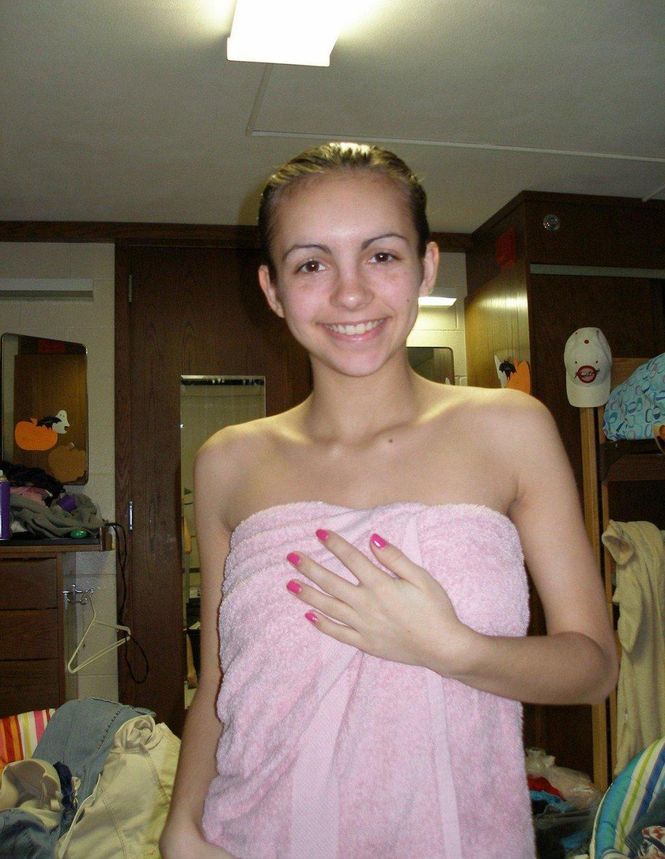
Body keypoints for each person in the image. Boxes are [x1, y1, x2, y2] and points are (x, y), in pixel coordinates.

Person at [160, 142, 617, 858]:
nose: (350, 294)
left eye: (380, 255)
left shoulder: (510, 428)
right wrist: (180, 828)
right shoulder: (228, 461)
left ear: (426, 267)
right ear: (273, 289)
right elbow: (220, 680)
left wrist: (453, 649)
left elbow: (594, 666)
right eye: (311, 264)